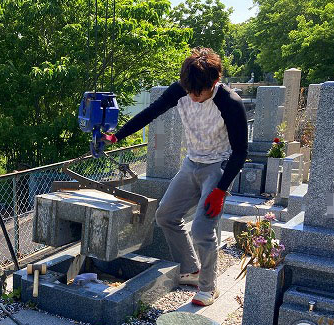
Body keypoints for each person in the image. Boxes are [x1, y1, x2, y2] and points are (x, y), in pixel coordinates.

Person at [103, 47, 247, 306]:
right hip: (192, 163)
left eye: (197, 92)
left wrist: (221, 190)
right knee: (166, 215)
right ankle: (192, 269)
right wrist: (117, 136)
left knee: (203, 229)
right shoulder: (183, 88)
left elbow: (241, 151)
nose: (191, 97)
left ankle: (208, 287)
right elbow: (150, 113)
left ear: (214, 82)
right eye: (188, 90)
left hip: (219, 166)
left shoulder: (230, 102)